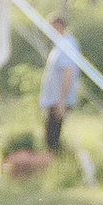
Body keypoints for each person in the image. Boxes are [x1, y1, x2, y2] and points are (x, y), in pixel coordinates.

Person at [40, 14, 83, 151]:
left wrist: (61, 101)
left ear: (59, 26)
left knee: (53, 138)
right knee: (50, 136)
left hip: (58, 100)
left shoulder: (67, 44)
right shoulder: (59, 45)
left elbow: (68, 73)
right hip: (53, 99)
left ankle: (56, 161)